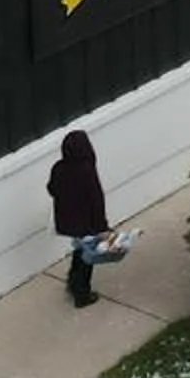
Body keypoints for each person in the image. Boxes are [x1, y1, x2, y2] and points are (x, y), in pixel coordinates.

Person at [47, 129, 110, 308]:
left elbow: (51, 189)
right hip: (86, 222)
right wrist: (102, 227)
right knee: (87, 257)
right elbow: (96, 200)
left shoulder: (59, 167)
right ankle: (82, 294)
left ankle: (73, 282)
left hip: (66, 221)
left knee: (80, 250)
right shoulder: (87, 170)